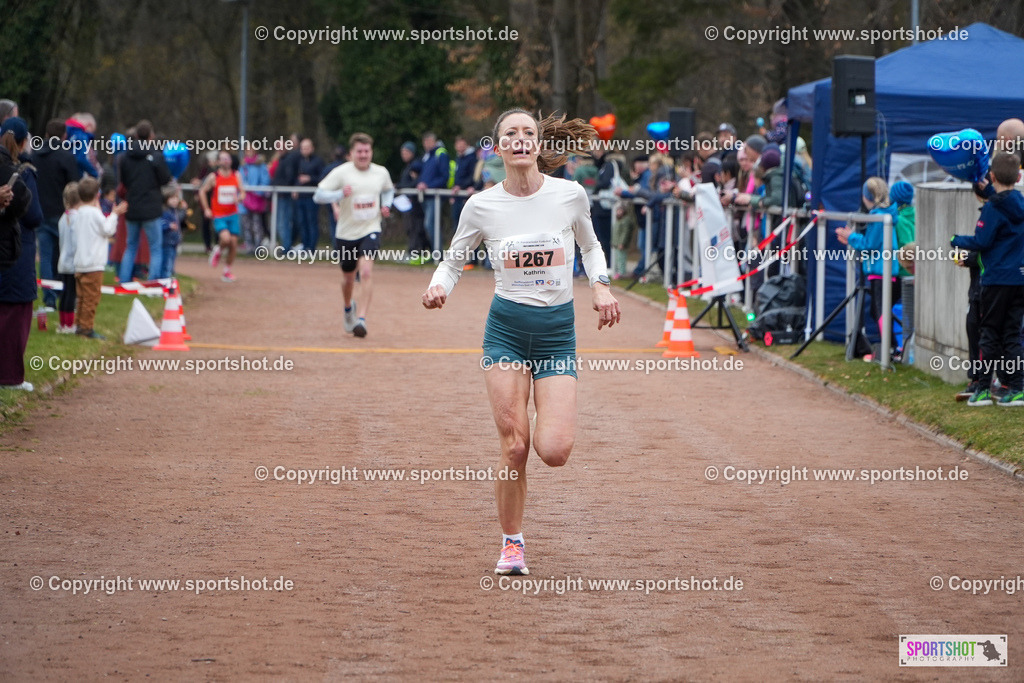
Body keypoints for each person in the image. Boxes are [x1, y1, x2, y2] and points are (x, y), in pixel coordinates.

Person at [420, 109, 621, 576]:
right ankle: (512, 543)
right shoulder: (481, 206)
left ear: (538, 143)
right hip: (506, 332)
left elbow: (591, 247)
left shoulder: (569, 194)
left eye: (528, 132)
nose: (521, 139)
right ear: (499, 147)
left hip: (556, 335)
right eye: (511, 133)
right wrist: (438, 287)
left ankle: (538, 409)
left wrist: (601, 286)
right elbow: (453, 260)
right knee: (514, 447)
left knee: (554, 451)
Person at [951, 152, 1024, 407]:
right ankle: (1018, 388)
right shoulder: (1019, 203)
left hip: (995, 280)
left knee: (989, 333)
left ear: (992, 176)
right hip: (1019, 279)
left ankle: (982, 389)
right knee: (1012, 334)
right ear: (1019, 177)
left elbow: (982, 241)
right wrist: (991, 190)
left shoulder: (992, 208)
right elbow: (1006, 201)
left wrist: (956, 240)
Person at [314, 132, 394, 338]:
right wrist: (339, 194)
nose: (363, 155)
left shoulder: (381, 172)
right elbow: (318, 195)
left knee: (366, 272)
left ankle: (361, 320)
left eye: (367, 151)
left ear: (371, 152)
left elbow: (388, 190)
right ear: (351, 153)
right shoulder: (341, 173)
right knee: (348, 278)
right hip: (346, 233)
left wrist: (386, 204)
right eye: (359, 151)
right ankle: (348, 307)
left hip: (370, 229)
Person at [836, 177, 901, 361]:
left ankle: (890, 351)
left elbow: (869, 244)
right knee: (878, 311)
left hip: (881, 272)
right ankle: (892, 349)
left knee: (880, 312)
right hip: (884, 271)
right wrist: (852, 239)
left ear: (868, 197)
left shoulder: (878, 216)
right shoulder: (886, 213)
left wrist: (851, 237)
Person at [0, 117, 42, 391]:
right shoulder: (22, 172)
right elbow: (33, 215)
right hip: (16, 247)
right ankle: (10, 376)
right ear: (24, 142)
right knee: (16, 314)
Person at [32, 119, 80, 312]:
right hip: (62, 213)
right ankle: (65, 294)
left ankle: (49, 299)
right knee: (66, 254)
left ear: (46, 134)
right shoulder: (66, 156)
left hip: (41, 210)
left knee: (45, 256)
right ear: (64, 136)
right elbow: (74, 184)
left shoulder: (35, 155)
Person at [118, 120, 172, 283]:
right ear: (151, 136)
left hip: (133, 206)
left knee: (131, 246)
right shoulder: (156, 156)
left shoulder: (125, 157)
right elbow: (165, 179)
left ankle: (124, 281)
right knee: (155, 248)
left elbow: (124, 181)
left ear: (135, 135)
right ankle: (152, 282)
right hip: (151, 208)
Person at [75, 177, 127, 339]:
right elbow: (108, 230)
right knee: (91, 298)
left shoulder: (78, 213)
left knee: (81, 297)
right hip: (94, 264)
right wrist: (114, 214)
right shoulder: (94, 213)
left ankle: (79, 324)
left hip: (80, 262)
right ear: (97, 195)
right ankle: (86, 328)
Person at [198, 150, 246, 283]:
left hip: (233, 214)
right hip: (219, 214)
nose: (226, 161)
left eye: (227, 158)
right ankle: (218, 250)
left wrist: (239, 198)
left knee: (234, 243)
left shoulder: (236, 175)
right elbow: (202, 191)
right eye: (223, 159)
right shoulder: (213, 177)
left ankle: (227, 271)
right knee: (225, 239)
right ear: (218, 162)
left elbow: (243, 192)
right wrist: (207, 209)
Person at [396, 141, 429, 263]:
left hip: (415, 204)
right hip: (407, 204)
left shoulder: (416, 165)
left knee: (416, 228)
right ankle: (414, 252)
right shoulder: (408, 167)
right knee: (410, 228)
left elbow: (416, 182)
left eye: (406, 152)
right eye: (402, 152)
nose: (404, 154)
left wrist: (399, 186)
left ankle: (416, 253)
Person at [417, 131, 450, 250]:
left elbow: (444, 177)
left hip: (435, 195)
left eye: (429, 141)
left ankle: (438, 252)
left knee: (430, 224)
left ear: (434, 141)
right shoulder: (426, 156)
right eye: (425, 142)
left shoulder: (440, 154)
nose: (426, 144)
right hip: (426, 195)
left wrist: (428, 186)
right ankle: (435, 251)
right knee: (429, 225)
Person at [56, 182, 81, 333]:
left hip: (63, 261)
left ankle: (63, 323)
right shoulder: (77, 218)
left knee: (65, 293)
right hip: (72, 263)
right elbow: (77, 242)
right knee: (71, 293)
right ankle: (70, 324)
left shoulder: (63, 217)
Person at [272, 133, 301, 253]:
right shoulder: (280, 160)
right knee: (280, 223)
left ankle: (286, 247)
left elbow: (289, 178)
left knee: (284, 223)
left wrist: (279, 185)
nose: (280, 149)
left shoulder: (288, 159)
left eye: (282, 147)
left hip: (285, 195)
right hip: (279, 195)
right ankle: (285, 246)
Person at [239, 145, 271, 251]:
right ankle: (249, 246)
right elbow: (239, 180)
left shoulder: (261, 165)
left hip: (257, 200)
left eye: (251, 150)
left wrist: (257, 192)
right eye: (247, 150)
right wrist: (243, 191)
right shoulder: (243, 166)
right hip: (245, 200)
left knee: (257, 225)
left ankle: (258, 246)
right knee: (246, 225)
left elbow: (265, 180)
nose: (249, 152)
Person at [295, 138, 324, 252]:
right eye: (303, 148)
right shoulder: (299, 161)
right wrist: (295, 189)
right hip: (301, 197)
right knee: (302, 222)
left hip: (312, 197)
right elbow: (295, 177)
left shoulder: (318, 161)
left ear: (312, 148)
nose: (305, 150)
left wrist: (310, 178)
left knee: (312, 222)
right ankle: (305, 245)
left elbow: (323, 178)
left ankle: (312, 247)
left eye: (307, 148)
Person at [159, 186, 185, 279]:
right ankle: (164, 278)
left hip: (174, 241)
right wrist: (168, 226)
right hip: (166, 242)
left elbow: (179, 220)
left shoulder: (174, 211)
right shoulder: (164, 211)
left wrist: (183, 210)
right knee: (166, 262)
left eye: (176, 198)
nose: (175, 200)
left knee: (171, 260)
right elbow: (160, 224)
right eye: (172, 198)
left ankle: (169, 275)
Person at [65, 112, 99, 178]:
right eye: (92, 131)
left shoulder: (65, 131)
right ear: (89, 125)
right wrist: (95, 174)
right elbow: (81, 159)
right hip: (74, 175)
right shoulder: (82, 136)